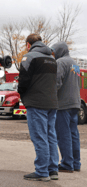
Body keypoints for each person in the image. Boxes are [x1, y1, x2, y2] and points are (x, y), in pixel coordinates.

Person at [18, 34, 58, 182]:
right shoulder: (52, 59)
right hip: (52, 102)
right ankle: (53, 169)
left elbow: (23, 81)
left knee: (40, 136)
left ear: (28, 44)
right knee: (51, 136)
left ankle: (42, 171)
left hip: (36, 102)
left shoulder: (29, 57)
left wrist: (22, 93)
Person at [51, 42, 81, 173]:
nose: (53, 53)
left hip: (63, 104)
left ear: (59, 51)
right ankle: (76, 163)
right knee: (73, 133)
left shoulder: (60, 62)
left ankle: (67, 163)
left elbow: (56, 82)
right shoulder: (75, 63)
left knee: (63, 134)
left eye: (54, 51)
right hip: (75, 103)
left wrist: (50, 96)